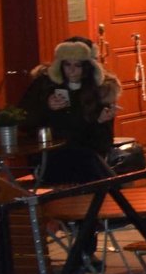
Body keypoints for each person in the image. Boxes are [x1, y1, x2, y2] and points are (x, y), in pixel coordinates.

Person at [19, 37, 120, 185]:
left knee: (88, 161)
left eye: (77, 65)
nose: (71, 70)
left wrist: (99, 122)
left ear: (87, 68)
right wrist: (46, 107)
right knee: (90, 166)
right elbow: (24, 121)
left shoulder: (99, 91)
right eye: (67, 64)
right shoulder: (44, 85)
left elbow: (102, 144)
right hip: (50, 154)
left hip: (84, 154)